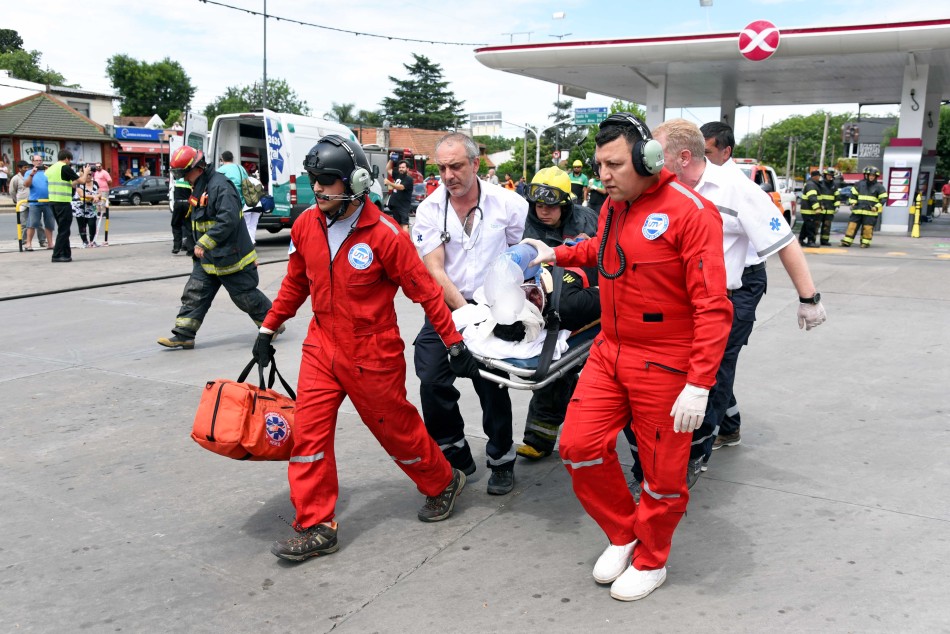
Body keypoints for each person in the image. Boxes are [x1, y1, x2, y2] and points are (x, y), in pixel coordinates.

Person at [522, 113, 732, 602]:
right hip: (609, 352)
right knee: (578, 447)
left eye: (614, 164)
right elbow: (604, 251)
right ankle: (623, 532)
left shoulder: (692, 212)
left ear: (647, 159)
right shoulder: (616, 205)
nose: (604, 176)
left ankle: (652, 558)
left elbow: (713, 307)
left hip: (665, 363)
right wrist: (555, 254)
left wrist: (699, 383)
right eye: (599, 165)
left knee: (662, 478)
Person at [257, 135, 473, 561]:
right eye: (315, 180)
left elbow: (426, 292)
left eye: (328, 181)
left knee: (396, 431)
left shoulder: (386, 235)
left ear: (355, 182)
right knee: (309, 435)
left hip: (371, 353)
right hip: (321, 347)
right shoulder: (305, 225)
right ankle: (316, 524)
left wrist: (453, 340)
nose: (318, 189)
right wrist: (268, 328)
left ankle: (442, 481)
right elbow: (296, 282)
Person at [645, 119, 825, 480]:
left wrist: (809, 297)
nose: (647, 159)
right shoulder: (660, 187)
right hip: (681, 300)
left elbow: (784, 242)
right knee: (689, 368)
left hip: (732, 294)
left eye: (656, 152)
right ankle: (729, 423)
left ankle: (694, 454)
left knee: (710, 370)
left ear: (683, 156)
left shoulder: (737, 190)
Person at [412, 132, 528, 496]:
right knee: (431, 376)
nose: (448, 175)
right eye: (442, 168)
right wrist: (467, 317)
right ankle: (454, 449)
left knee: (491, 385)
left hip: (497, 306)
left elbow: (525, 256)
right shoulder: (430, 209)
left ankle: (501, 460)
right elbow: (435, 270)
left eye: (457, 166)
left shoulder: (508, 203)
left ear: (476, 164)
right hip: (450, 306)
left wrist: (513, 307)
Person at [516, 166, 599, 460]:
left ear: (565, 204)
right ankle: (539, 439)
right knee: (554, 367)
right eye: (539, 205)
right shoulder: (527, 223)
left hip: (586, 292)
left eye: (551, 206)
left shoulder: (587, 221)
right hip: (547, 295)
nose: (544, 212)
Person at [156, 146, 272, 349]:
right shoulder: (201, 185)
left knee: (245, 296)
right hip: (208, 257)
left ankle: (271, 325)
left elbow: (228, 220)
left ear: (198, 168)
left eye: (185, 173)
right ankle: (184, 334)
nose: (184, 178)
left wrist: (205, 242)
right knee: (195, 292)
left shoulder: (221, 187)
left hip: (230, 255)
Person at [46, 149, 91, 263]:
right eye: (69, 160)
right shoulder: (64, 167)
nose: (70, 162)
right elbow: (82, 181)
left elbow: (70, 183)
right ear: (66, 158)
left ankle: (66, 254)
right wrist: (85, 172)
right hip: (63, 202)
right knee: (64, 230)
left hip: (53, 201)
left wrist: (77, 179)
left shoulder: (51, 168)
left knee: (63, 229)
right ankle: (56, 255)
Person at [840, 166, 887, 248]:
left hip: (870, 212)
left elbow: (883, 199)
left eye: (873, 175)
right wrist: (853, 202)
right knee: (852, 226)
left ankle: (865, 242)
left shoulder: (879, 187)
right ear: (866, 175)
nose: (871, 177)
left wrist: (876, 207)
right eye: (870, 175)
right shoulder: (859, 184)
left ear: (876, 177)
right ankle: (847, 241)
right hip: (857, 210)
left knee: (867, 228)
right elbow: (853, 195)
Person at [21, 155, 52, 250]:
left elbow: (53, 183)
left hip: (48, 202)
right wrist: (32, 174)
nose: (39, 162)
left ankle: (50, 243)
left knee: (49, 224)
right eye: (36, 160)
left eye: (40, 160)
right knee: (32, 224)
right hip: (35, 202)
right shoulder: (29, 172)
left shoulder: (47, 172)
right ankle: (28, 243)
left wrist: (49, 171)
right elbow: (26, 184)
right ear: (33, 162)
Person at [384, 159, 413, 232]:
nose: (401, 169)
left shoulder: (408, 179)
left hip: (403, 206)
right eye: (400, 167)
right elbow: (388, 169)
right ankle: (401, 241)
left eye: (403, 167)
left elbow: (401, 187)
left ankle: (406, 241)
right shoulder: (397, 175)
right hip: (395, 205)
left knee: (404, 224)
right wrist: (391, 159)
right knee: (397, 224)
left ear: (407, 169)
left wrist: (389, 183)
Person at [72, 174, 100, 248]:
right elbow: (81, 194)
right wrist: (93, 196)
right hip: (80, 207)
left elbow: (99, 192)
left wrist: (97, 196)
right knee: (82, 225)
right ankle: (85, 241)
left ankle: (92, 241)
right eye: (87, 175)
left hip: (91, 207)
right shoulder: (79, 183)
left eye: (90, 174)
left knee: (92, 224)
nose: (88, 176)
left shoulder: (95, 183)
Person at [799, 170, 822, 246]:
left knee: (806, 225)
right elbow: (812, 198)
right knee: (810, 226)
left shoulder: (812, 184)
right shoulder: (811, 185)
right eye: (819, 176)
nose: (819, 178)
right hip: (809, 210)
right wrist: (817, 208)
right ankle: (811, 241)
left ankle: (801, 239)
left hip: (808, 210)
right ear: (815, 176)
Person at [170, 177, 193, 255]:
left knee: (176, 224)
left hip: (178, 204)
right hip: (188, 204)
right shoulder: (190, 180)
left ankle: (176, 247)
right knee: (189, 226)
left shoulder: (177, 179)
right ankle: (190, 249)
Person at [816, 167, 838, 245]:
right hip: (820, 209)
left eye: (831, 175)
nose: (830, 176)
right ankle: (812, 240)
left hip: (830, 210)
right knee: (816, 225)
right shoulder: (820, 184)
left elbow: (837, 197)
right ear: (825, 175)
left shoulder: (834, 185)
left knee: (827, 226)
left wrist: (837, 206)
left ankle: (824, 241)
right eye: (828, 175)